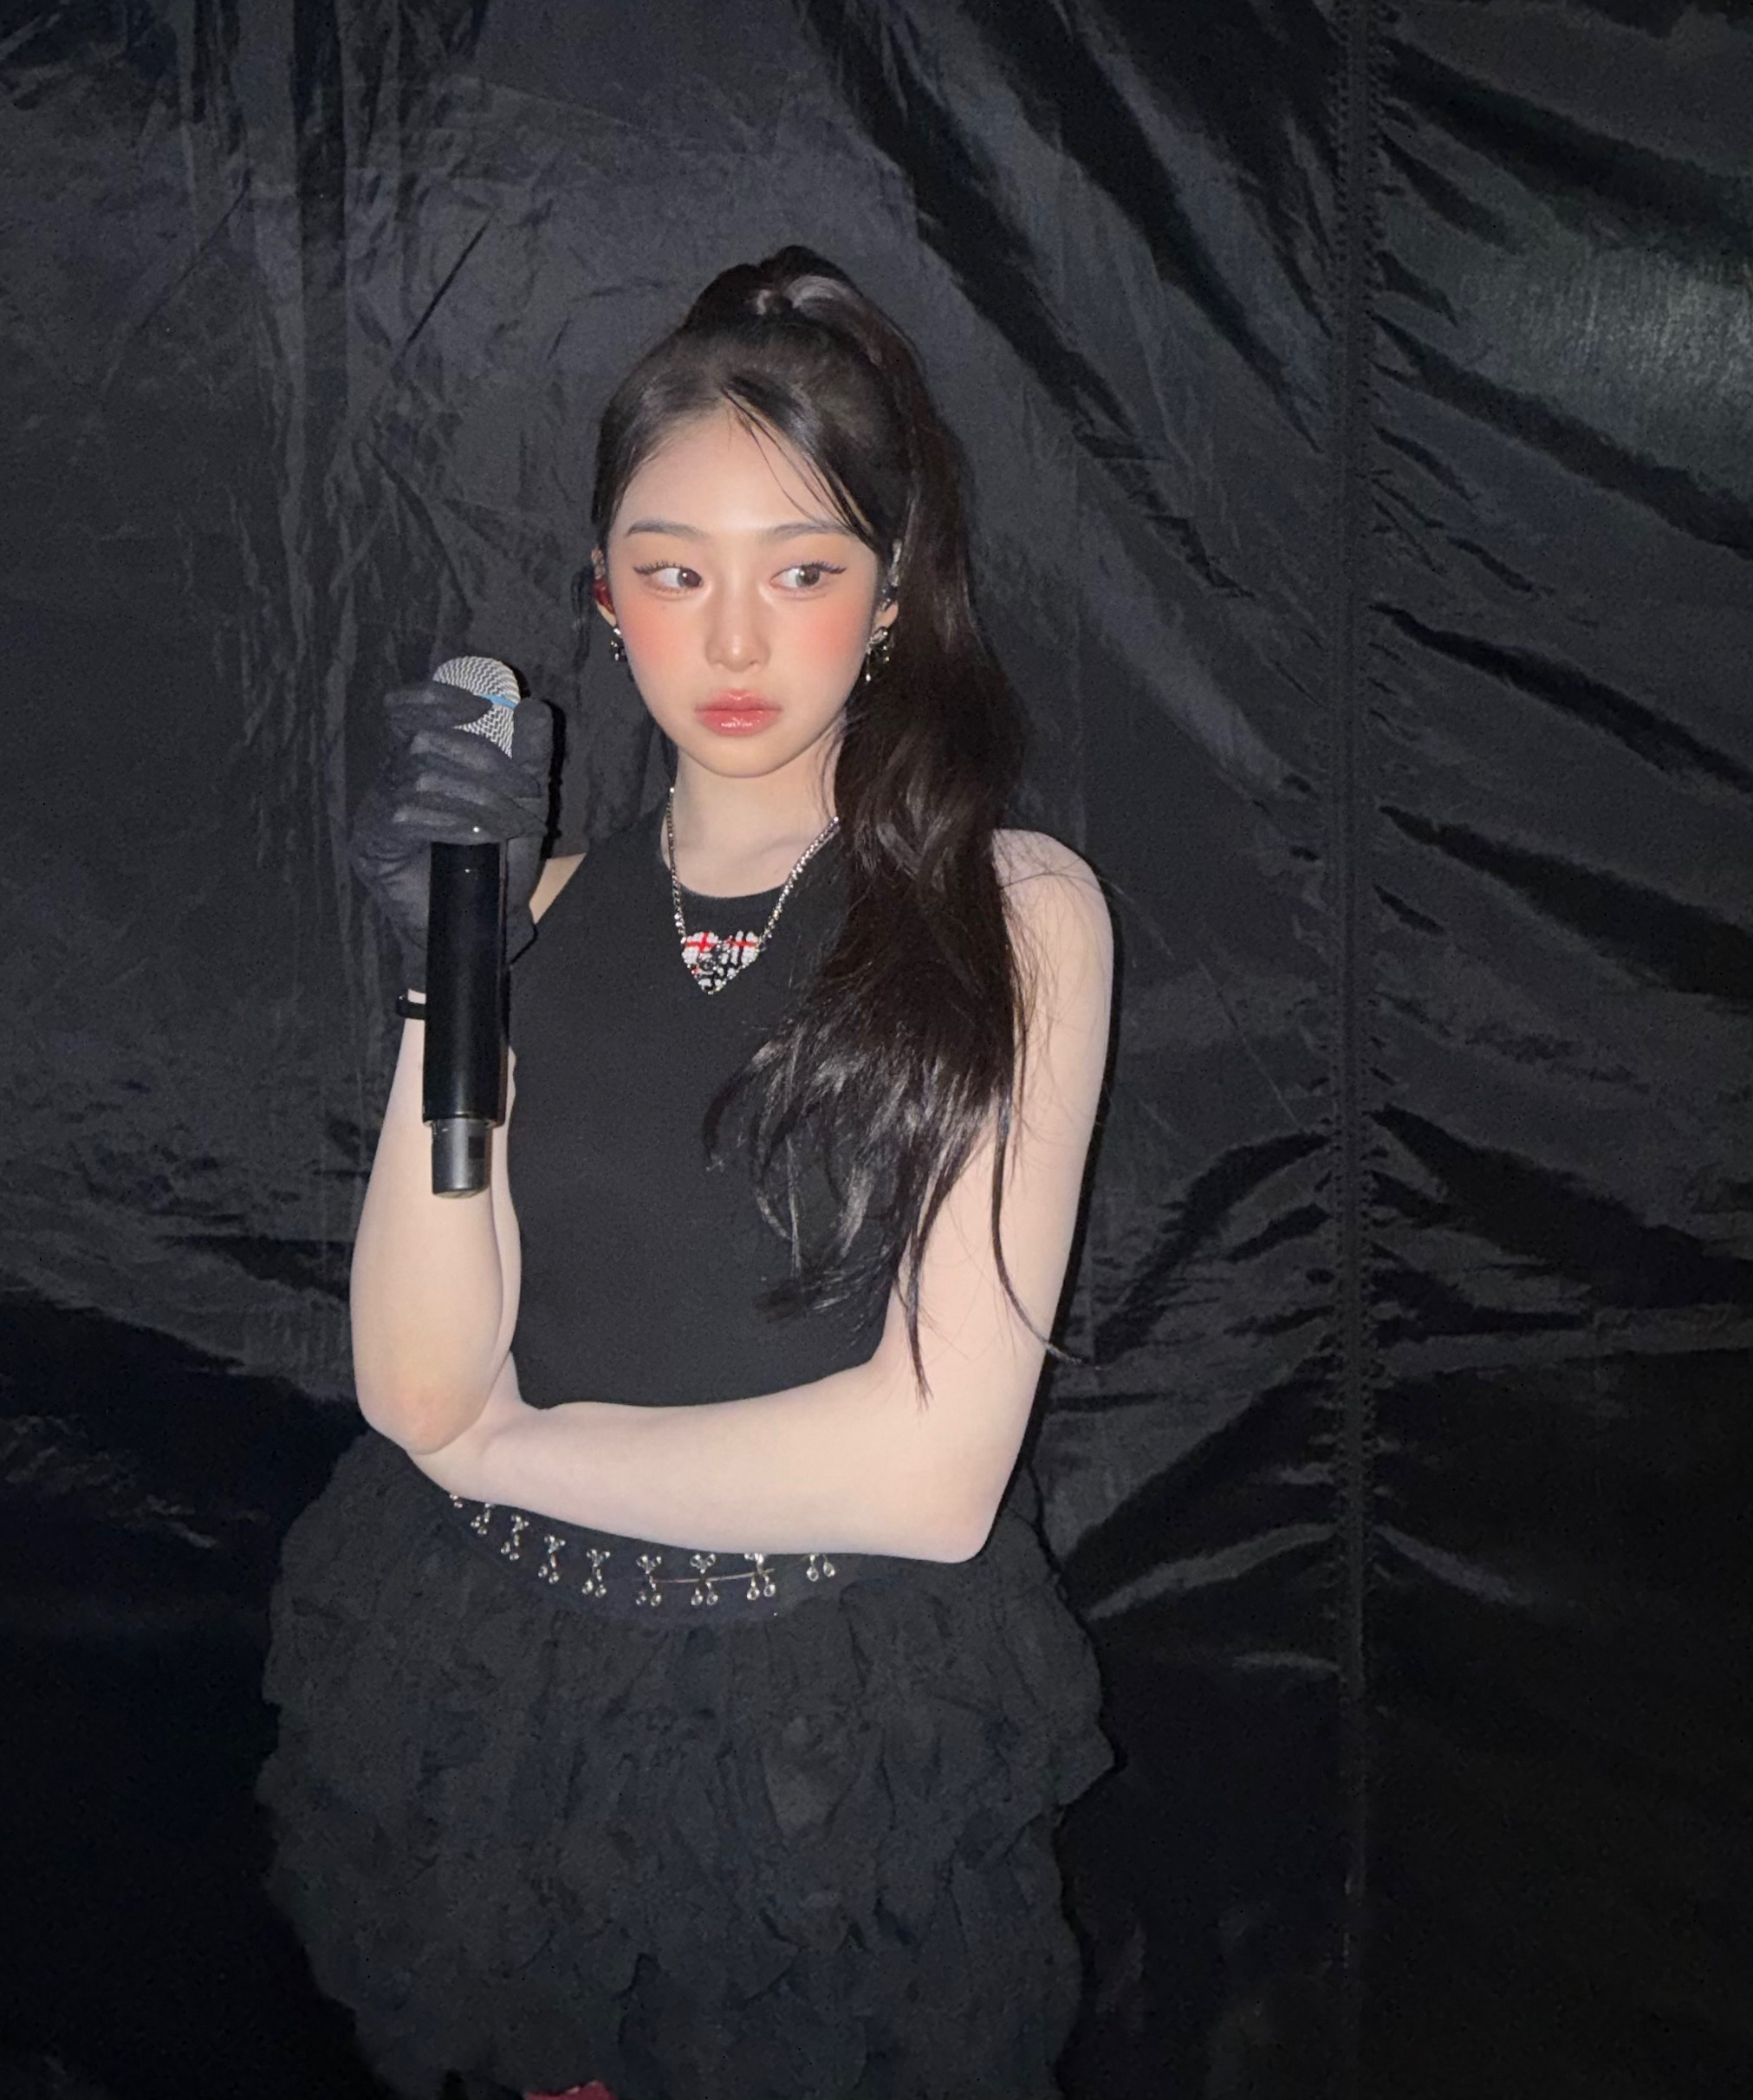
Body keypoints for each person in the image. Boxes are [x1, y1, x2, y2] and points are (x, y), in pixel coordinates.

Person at [257, 247, 1118, 2100]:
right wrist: (448, 977)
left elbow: (930, 1475)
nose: (733, 645)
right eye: (674, 572)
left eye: (801, 572)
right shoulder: (531, 910)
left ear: (892, 594)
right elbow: (414, 1376)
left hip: (819, 1734)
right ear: (605, 590)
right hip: (504, 1699)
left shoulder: (1012, 914)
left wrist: (497, 1450)